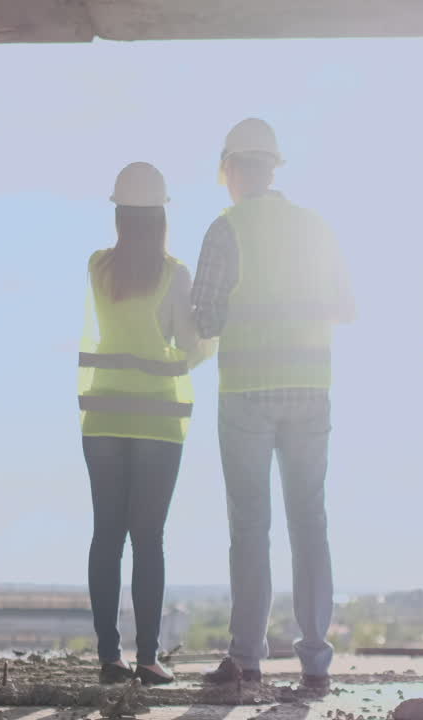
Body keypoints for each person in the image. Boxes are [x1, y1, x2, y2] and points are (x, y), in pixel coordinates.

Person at [193, 119, 354, 689]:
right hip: (311, 390)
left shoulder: (226, 228)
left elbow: (206, 317)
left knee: (250, 526)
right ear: (275, 168)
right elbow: (347, 306)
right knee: (310, 522)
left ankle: (246, 659)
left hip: (246, 395)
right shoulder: (316, 228)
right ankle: (315, 663)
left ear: (232, 169)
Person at [78, 162, 212, 686]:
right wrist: (209, 337)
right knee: (148, 538)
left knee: (106, 534)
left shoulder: (97, 267)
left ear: (119, 215)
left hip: (103, 416)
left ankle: (109, 657)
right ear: (160, 217)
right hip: (158, 423)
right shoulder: (174, 273)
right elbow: (191, 347)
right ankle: (148, 658)